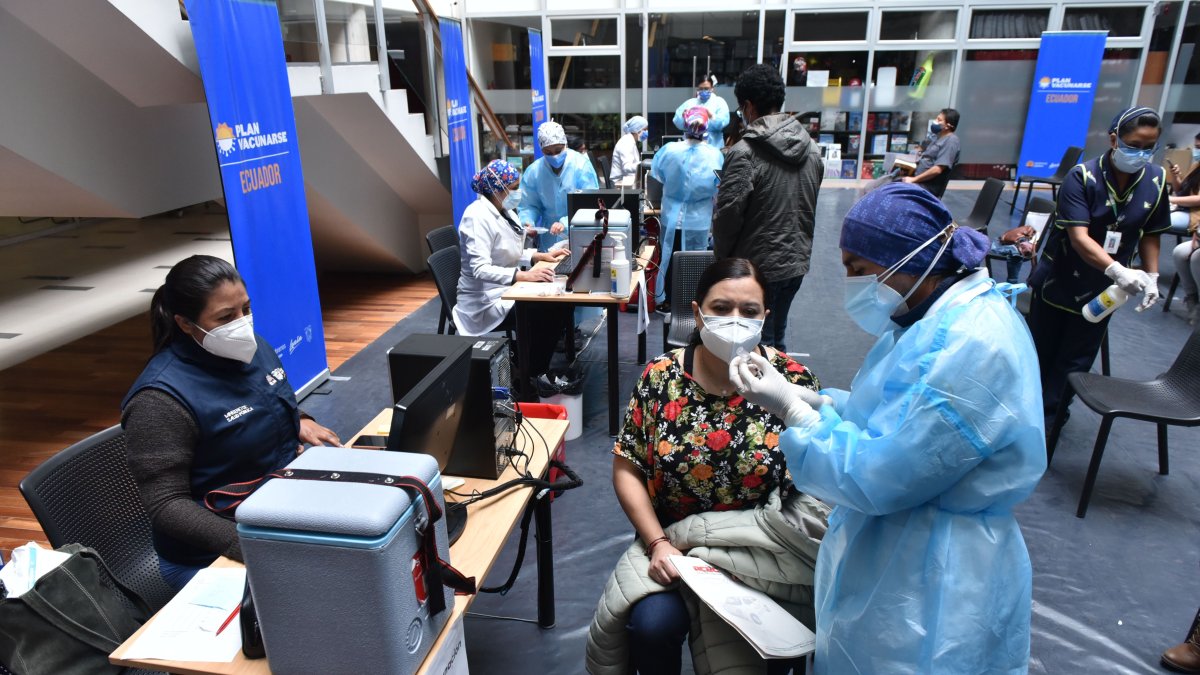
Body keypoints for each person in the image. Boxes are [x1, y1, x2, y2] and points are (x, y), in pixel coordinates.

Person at [730, 182, 1047, 674]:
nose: (853, 283)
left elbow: (881, 474)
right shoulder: (927, 321)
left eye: (859, 269)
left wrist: (796, 415)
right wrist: (820, 401)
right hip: (898, 544)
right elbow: (891, 419)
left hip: (935, 573)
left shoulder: (970, 344)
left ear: (911, 259)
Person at [611, 257, 821, 675]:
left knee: (774, 647)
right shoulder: (660, 378)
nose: (735, 321)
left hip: (761, 549)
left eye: (749, 311)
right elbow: (627, 466)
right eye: (721, 308)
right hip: (672, 543)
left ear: (766, 317)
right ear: (697, 313)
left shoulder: (791, 383)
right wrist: (657, 544)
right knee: (651, 627)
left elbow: (817, 484)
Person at [121, 255, 342, 591]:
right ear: (184, 323)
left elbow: (268, 398)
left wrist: (297, 419)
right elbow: (167, 506)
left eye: (246, 309)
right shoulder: (158, 401)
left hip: (276, 512)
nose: (242, 323)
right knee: (330, 589)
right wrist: (250, 544)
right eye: (226, 317)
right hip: (211, 552)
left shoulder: (251, 348)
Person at [1028, 106, 1170, 427]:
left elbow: (1151, 233)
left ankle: (1051, 422)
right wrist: (1119, 270)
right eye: (1134, 145)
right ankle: (1026, 415)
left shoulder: (1156, 180)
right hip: (1061, 279)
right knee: (1042, 352)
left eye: (1150, 147)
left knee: (1076, 359)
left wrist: (1152, 275)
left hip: (1106, 290)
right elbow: (1079, 238)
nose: (1142, 153)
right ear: (1114, 139)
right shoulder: (1082, 177)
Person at [713, 64, 822, 351]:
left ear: (748, 106)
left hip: (756, 268)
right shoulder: (812, 150)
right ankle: (778, 389)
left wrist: (724, 263)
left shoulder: (744, 153)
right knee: (775, 337)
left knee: (754, 344)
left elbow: (727, 217)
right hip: (795, 263)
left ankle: (763, 394)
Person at [452, 159, 571, 376]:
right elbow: (481, 269)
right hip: (484, 301)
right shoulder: (476, 216)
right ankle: (529, 374)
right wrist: (523, 275)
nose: (519, 192)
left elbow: (507, 252)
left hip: (504, 289)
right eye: (514, 188)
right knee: (544, 311)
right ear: (498, 189)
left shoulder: (506, 211)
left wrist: (538, 255)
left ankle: (530, 365)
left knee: (558, 305)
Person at [649, 107, 724, 310]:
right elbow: (720, 187)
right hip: (699, 218)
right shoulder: (715, 155)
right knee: (695, 261)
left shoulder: (669, 150)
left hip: (671, 215)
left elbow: (656, 177)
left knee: (669, 257)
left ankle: (667, 301)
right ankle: (692, 303)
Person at [518, 120, 599, 248]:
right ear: (541, 150)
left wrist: (566, 223)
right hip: (548, 236)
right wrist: (528, 222)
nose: (554, 156)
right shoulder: (534, 171)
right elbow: (528, 204)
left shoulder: (581, 166)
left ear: (565, 144)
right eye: (548, 152)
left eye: (558, 150)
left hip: (578, 232)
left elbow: (590, 203)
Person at [902, 108, 960, 198]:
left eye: (939, 120)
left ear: (948, 126)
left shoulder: (951, 141)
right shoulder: (937, 137)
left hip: (927, 187)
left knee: (892, 190)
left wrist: (913, 180)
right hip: (917, 180)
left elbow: (937, 169)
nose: (935, 122)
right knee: (887, 181)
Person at [672, 75, 730, 149]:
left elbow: (723, 122)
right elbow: (677, 121)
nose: (703, 91)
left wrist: (712, 117)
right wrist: (684, 118)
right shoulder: (690, 103)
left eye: (706, 88)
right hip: (692, 147)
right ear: (697, 89)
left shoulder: (719, 102)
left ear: (712, 88)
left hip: (714, 146)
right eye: (701, 89)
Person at [1167, 131, 1200, 237]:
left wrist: (1170, 199)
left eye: (1199, 147)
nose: (1196, 151)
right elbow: (1180, 191)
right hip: (1183, 208)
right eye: (1196, 147)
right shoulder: (1196, 166)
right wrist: (1175, 176)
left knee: (1155, 221)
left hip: (1194, 214)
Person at [611, 116, 648, 188]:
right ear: (638, 130)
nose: (646, 132)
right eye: (645, 129)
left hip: (627, 179)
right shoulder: (626, 142)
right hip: (620, 184)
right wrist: (643, 164)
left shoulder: (630, 140)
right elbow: (627, 167)